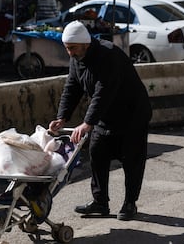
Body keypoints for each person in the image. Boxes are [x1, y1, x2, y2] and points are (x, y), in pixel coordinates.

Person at [48, 21, 152, 220]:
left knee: (132, 160)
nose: (70, 53)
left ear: (85, 44)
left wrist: (88, 122)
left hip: (132, 115)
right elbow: (72, 87)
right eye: (67, 49)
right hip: (105, 117)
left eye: (73, 48)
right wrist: (62, 117)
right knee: (97, 153)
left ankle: (130, 203)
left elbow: (104, 91)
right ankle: (100, 202)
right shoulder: (77, 58)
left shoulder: (108, 55)